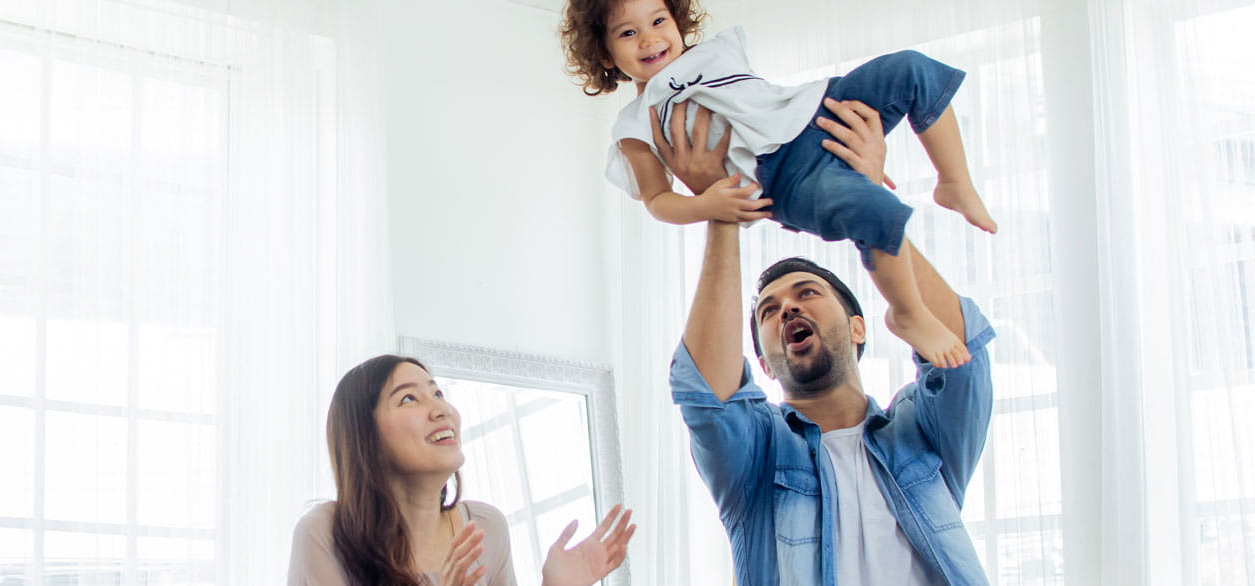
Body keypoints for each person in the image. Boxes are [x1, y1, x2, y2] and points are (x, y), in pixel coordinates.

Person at [649, 93, 996, 584]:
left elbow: (963, 352)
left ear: (858, 327)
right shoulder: (759, 453)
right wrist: (721, 211)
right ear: (764, 365)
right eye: (769, 311)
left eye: (807, 293)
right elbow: (708, 397)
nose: (788, 309)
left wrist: (870, 203)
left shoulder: (918, 434)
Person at [560, 0, 996, 369]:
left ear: (677, 21)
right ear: (604, 55)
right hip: (783, 177)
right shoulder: (634, 124)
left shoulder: (713, 54)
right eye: (628, 33)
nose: (649, 38)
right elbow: (657, 199)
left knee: (912, 69)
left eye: (659, 21)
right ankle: (908, 312)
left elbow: (756, 103)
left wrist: (847, 157)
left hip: (815, 110)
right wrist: (707, 204)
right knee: (876, 211)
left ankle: (954, 183)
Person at [288, 354, 637, 585]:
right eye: (408, 398)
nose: (441, 410)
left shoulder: (486, 527)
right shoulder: (325, 534)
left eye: (438, 394)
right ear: (365, 436)